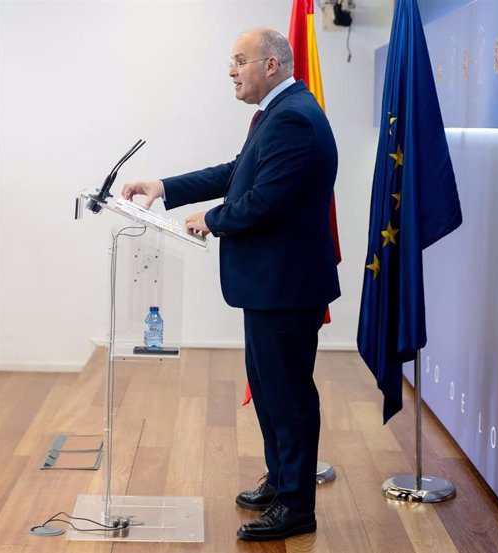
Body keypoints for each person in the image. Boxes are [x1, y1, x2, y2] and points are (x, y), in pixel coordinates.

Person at [121, 27, 340, 541]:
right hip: (272, 284)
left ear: (271, 64)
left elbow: (267, 202)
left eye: (239, 61)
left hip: (285, 286)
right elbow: (238, 172)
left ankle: (296, 507)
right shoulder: (278, 113)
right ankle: (282, 481)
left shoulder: (294, 121)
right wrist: (164, 188)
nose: (231, 71)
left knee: (287, 396)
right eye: (230, 62)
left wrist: (212, 219)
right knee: (268, 388)